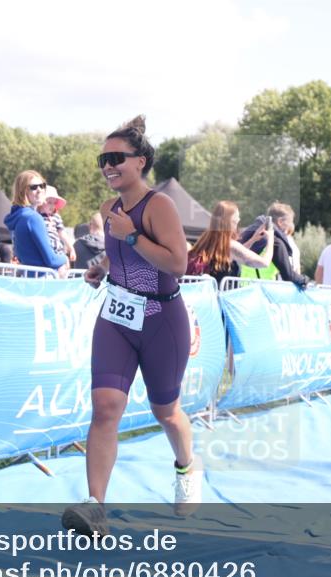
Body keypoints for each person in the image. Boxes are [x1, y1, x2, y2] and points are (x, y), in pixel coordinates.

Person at [61, 116, 199, 536]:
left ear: (140, 162)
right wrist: (101, 267)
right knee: (105, 408)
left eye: (116, 158)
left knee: (167, 412)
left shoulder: (159, 206)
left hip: (162, 319)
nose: (107, 166)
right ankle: (94, 508)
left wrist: (133, 236)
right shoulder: (108, 209)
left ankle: (186, 468)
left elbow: (178, 264)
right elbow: (122, 259)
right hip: (117, 317)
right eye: (103, 158)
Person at [186, 201, 274, 284]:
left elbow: (235, 254)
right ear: (229, 222)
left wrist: (253, 239)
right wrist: (270, 239)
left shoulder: (207, 240)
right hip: (224, 296)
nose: (239, 220)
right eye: (236, 220)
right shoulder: (230, 245)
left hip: (210, 296)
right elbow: (264, 263)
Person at [3, 171, 69, 276]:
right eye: (33, 187)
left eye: (42, 186)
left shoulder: (18, 216)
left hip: (27, 279)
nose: (40, 190)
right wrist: (65, 258)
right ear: (22, 192)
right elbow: (51, 260)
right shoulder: (33, 218)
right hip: (41, 282)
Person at [238, 202, 308, 288]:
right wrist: (305, 280)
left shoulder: (254, 236)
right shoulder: (276, 243)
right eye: (290, 222)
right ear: (280, 222)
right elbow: (288, 275)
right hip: (263, 290)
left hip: (243, 287)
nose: (291, 226)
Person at [38, 185, 77, 265]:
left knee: (63, 266)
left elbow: (62, 233)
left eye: (54, 203)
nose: (52, 206)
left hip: (57, 250)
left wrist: (71, 248)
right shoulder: (36, 216)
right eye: (49, 202)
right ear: (41, 203)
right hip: (42, 249)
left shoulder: (56, 217)